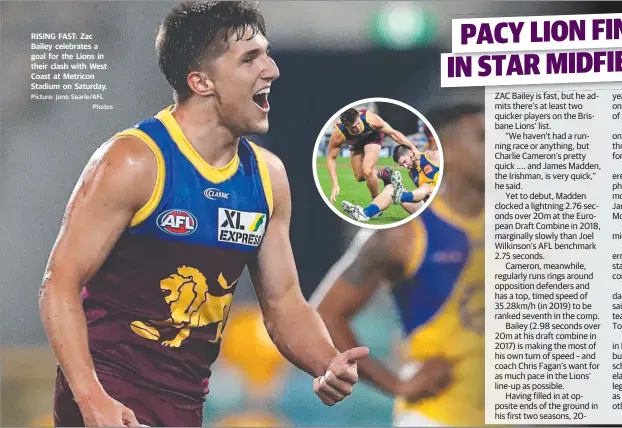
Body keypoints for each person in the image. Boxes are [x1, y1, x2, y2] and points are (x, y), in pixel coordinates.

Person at [38, 3, 365, 427]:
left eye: (266, 53)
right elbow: (58, 285)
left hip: (186, 403)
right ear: (201, 81)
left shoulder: (268, 177)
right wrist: (90, 398)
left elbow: (285, 304)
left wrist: (327, 361)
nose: (273, 70)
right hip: (111, 395)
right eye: (250, 58)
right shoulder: (136, 162)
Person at [312, 103, 485, 426]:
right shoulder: (404, 234)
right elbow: (324, 314)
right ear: (448, 148)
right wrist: (397, 384)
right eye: (484, 138)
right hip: (437, 416)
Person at [326, 107, 421, 204]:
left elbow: (393, 133)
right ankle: (385, 174)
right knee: (360, 177)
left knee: (368, 171)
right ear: (346, 126)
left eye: (358, 123)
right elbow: (331, 158)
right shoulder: (339, 133)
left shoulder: (370, 119)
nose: (357, 128)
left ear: (359, 117)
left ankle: (376, 202)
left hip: (373, 136)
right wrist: (335, 185)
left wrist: (413, 147)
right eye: (353, 127)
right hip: (356, 143)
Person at [340, 147, 440, 221]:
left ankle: (399, 194)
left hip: (446, 206)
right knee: (391, 187)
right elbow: (421, 196)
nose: (405, 166)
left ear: (410, 152)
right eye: (402, 165)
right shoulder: (412, 173)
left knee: (427, 187)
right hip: (428, 210)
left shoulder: (433, 156)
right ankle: (364, 213)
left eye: (404, 161)